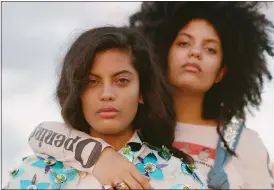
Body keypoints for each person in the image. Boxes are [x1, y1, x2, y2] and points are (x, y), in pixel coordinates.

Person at [25, 2, 274, 189]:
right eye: (183, 43)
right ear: (162, 51)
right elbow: (41, 134)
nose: (195, 54)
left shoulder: (242, 142)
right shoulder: (127, 118)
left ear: (223, 71)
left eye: (210, 49)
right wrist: (100, 155)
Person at [5, 26, 207, 189]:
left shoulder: (178, 177)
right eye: (92, 82)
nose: (107, 94)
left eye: (122, 80)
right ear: (77, 93)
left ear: (142, 92)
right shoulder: (34, 173)